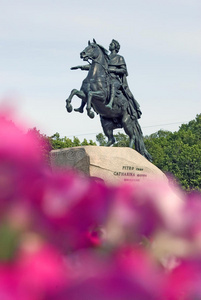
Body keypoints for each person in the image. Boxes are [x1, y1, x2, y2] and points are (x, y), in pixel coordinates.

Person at [106, 39, 142, 119]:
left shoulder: (120, 58)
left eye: (111, 44)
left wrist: (112, 70)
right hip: (106, 79)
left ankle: (111, 103)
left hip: (115, 79)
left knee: (113, 85)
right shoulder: (106, 57)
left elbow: (124, 70)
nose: (109, 45)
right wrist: (82, 67)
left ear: (115, 47)